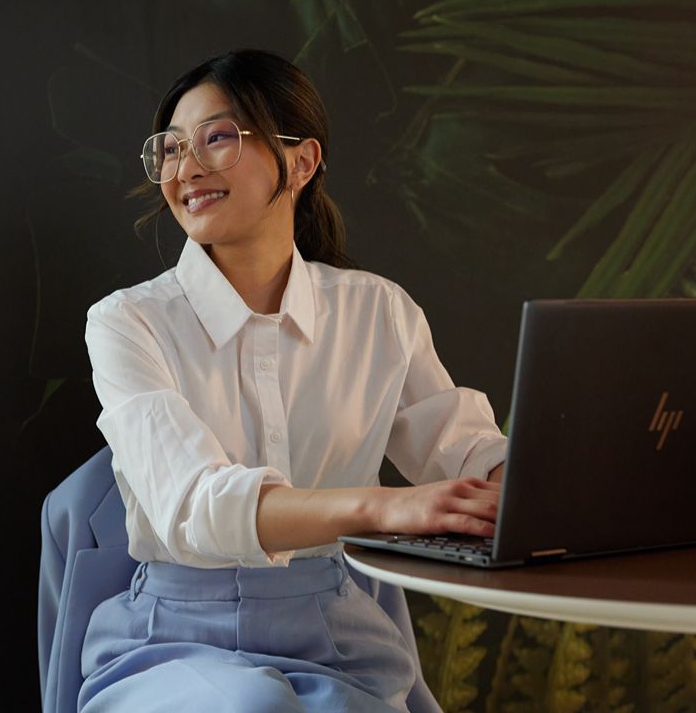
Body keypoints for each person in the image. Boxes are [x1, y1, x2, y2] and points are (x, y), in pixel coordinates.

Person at [80, 49, 507, 713]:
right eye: (170, 149)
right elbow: (193, 503)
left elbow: (467, 449)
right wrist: (380, 508)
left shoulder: (378, 311)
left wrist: (515, 485)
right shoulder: (127, 322)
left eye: (216, 138)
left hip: (342, 638)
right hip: (172, 644)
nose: (186, 168)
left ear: (301, 162)